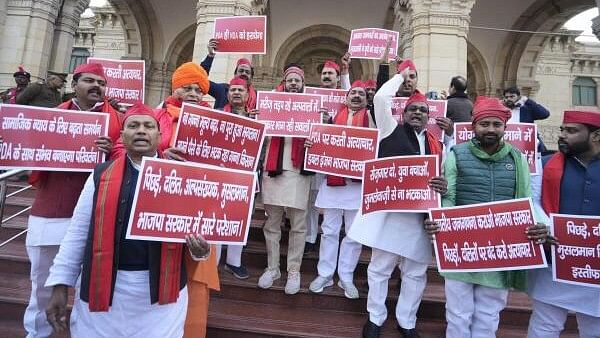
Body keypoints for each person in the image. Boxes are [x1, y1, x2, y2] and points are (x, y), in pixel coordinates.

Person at [44, 104, 211, 337]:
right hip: (105, 292)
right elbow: (78, 234)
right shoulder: (101, 175)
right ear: (122, 136)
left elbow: (199, 235)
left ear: (159, 135)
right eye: (133, 126)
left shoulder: (181, 176)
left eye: (148, 126)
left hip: (161, 299)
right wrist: (60, 284)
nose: (141, 131)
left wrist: (200, 250)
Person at [424, 96, 548, 338]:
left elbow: (524, 201)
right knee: (458, 314)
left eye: (496, 124)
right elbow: (449, 196)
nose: (490, 129)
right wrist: (439, 223)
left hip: (498, 251)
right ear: (474, 126)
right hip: (461, 249)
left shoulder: (517, 158)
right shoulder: (457, 154)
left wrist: (539, 225)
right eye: (485, 124)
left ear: (504, 127)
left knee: (488, 315)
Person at [348, 75, 453, 337]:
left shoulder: (436, 143)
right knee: (380, 269)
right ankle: (375, 317)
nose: (417, 113)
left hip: (419, 218)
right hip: (390, 215)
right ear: (403, 113)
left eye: (423, 110)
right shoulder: (389, 129)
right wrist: (401, 76)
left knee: (415, 273)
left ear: (429, 117)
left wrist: (443, 186)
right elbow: (382, 98)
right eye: (413, 109)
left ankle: (407, 321)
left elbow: (445, 176)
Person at [22, 63, 121, 338]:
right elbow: (26, 149)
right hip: (51, 210)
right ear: (74, 84)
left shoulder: (117, 122)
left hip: (96, 215)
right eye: (90, 80)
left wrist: (112, 151)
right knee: (42, 282)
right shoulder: (51, 118)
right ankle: (37, 333)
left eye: (101, 82)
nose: (96, 87)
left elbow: (129, 154)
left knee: (89, 286)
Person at [526, 110, 600, 338]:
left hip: (595, 266)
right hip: (555, 260)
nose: (563, 135)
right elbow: (532, 200)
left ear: (595, 136)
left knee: (594, 329)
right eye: (562, 130)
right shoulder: (546, 164)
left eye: (572, 131)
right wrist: (545, 226)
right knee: (545, 326)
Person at [307, 80, 375, 299]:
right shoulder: (331, 118)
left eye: (361, 94)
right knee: (329, 232)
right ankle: (325, 274)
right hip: (334, 184)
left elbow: (377, 141)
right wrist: (312, 143)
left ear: (367, 99)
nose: (356, 96)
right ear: (346, 97)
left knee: (353, 235)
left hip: (357, 185)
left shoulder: (371, 119)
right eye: (353, 93)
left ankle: (346, 276)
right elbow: (318, 139)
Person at [258, 65, 312, 295]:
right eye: (290, 80)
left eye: (297, 81)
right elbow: (258, 137)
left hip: (299, 172)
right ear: (284, 81)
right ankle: (273, 268)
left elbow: (323, 137)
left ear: (302, 84)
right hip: (273, 171)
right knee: (272, 223)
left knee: (298, 226)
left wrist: (314, 140)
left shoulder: (312, 108)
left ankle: (293, 270)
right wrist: (256, 120)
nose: (293, 84)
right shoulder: (269, 105)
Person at [305, 57, 351, 255]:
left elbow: (351, 93)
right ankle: (310, 237)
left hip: (336, 156)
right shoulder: (312, 96)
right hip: (315, 152)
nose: (326, 76)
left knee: (334, 200)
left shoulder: (343, 96)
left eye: (330, 73)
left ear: (337, 77)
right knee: (312, 199)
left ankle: (334, 233)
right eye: (324, 73)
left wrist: (346, 71)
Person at [199, 39, 257, 111]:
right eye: (241, 71)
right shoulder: (222, 89)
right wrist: (210, 56)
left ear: (251, 77)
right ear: (235, 74)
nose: (244, 73)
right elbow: (199, 79)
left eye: (247, 72)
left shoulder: (258, 97)